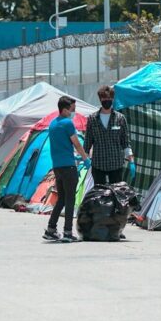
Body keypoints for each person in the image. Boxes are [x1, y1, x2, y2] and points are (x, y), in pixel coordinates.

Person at [43, 96, 89, 243]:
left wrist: (73, 156)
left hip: (57, 166)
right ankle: (68, 232)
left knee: (61, 199)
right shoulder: (68, 123)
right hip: (69, 167)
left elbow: (60, 146)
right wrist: (85, 158)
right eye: (72, 110)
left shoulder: (52, 124)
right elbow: (76, 143)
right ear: (64, 110)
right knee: (70, 199)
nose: (73, 113)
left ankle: (51, 229)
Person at [83, 85, 133, 186]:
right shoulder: (92, 119)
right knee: (100, 195)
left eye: (109, 98)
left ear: (113, 99)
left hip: (116, 163)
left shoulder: (120, 118)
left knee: (116, 194)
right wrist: (85, 159)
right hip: (98, 164)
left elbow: (126, 142)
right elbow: (87, 142)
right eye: (104, 98)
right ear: (100, 99)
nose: (107, 100)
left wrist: (131, 161)